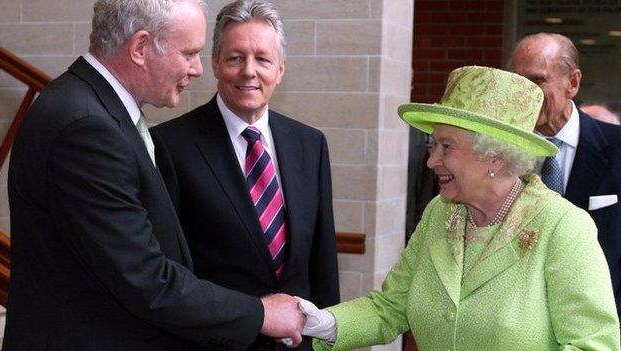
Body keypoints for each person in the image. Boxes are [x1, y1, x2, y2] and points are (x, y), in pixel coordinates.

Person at [3, 1, 305, 350]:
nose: (197, 69)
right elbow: (146, 279)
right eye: (189, 53)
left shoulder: (93, 108)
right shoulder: (86, 127)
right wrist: (261, 313)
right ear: (141, 47)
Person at [298, 66, 621, 350]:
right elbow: (392, 306)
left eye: (446, 146)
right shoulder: (440, 213)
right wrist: (322, 323)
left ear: (495, 157)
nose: (431, 160)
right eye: (433, 145)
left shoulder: (562, 226)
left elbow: (593, 345)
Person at [151, 1, 340, 349]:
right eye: (236, 57)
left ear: (280, 70)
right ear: (215, 65)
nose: (249, 71)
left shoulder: (311, 145)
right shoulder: (169, 146)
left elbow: (322, 265)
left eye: (263, 59)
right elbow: (169, 272)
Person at [508, 32, 621, 319]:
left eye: (536, 80)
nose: (523, 92)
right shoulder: (497, 151)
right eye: (516, 80)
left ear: (572, 83)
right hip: (517, 323)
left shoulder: (617, 149)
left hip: (597, 322)